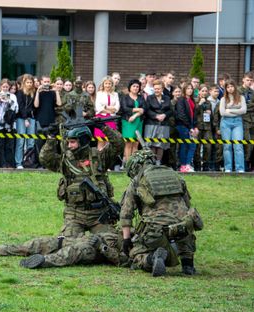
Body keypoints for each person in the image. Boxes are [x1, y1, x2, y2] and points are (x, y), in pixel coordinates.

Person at [121, 149, 203, 277]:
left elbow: (126, 213)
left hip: (155, 230)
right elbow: (187, 205)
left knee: (135, 252)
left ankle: (153, 258)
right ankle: (188, 264)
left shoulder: (137, 181)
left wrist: (126, 240)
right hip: (183, 227)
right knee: (185, 224)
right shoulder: (174, 175)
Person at [40, 124, 123, 237]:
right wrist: (51, 138)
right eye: (68, 142)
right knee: (69, 246)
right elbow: (46, 159)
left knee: (110, 244)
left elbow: (118, 145)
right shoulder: (66, 161)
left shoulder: (99, 157)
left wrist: (104, 127)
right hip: (74, 214)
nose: (69, 146)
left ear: (83, 141)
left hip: (98, 214)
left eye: (73, 142)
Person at [0, 230, 126, 269]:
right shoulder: (122, 227)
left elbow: (123, 261)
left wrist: (102, 247)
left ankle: (42, 261)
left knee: (67, 254)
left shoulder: (136, 244)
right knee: (37, 243)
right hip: (78, 238)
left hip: (93, 250)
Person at [219, 80, 247, 173]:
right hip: (225, 123)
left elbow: (244, 110)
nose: (230, 88)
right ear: (225, 89)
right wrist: (236, 111)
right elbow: (222, 113)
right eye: (228, 87)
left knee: (238, 145)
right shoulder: (223, 99)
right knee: (227, 146)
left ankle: (240, 168)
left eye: (231, 86)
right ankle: (228, 168)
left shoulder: (241, 98)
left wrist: (230, 111)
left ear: (235, 87)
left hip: (237, 123)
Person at [144, 79, 172, 166]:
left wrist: (164, 115)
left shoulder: (167, 98)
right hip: (151, 124)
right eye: (155, 88)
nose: (157, 90)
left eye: (159, 89)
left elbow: (171, 110)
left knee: (161, 144)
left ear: (162, 89)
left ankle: (158, 161)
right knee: (151, 144)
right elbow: (147, 110)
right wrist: (156, 116)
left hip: (164, 124)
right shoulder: (149, 98)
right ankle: (152, 161)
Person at [0, 79, 18, 168]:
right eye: (3, 87)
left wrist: (9, 102)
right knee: (0, 144)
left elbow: (16, 109)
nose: (5, 88)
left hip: (10, 123)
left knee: (10, 144)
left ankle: (10, 163)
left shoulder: (13, 96)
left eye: (7, 87)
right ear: (0, 87)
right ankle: (1, 164)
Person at [120, 79, 145, 165]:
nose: (135, 88)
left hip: (138, 122)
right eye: (134, 86)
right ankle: (128, 163)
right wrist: (138, 109)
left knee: (136, 143)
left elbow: (144, 109)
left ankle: (134, 163)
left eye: (137, 86)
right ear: (130, 87)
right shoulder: (125, 97)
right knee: (128, 143)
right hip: (128, 122)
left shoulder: (141, 98)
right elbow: (124, 108)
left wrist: (135, 115)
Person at [175, 84, 199, 172]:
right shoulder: (181, 100)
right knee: (184, 146)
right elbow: (181, 115)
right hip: (183, 126)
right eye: (188, 88)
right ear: (184, 90)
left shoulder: (192, 100)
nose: (190, 90)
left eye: (191, 88)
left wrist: (195, 126)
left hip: (191, 125)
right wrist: (190, 127)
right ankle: (183, 165)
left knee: (192, 145)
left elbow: (194, 115)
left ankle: (188, 164)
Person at [14, 74, 36, 169]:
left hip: (31, 118)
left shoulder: (33, 93)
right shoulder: (19, 93)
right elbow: (21, 107)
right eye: (27, 82)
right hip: (21, 118)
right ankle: (18, 162)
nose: (29, 84)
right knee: (21, 141)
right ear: (24, 83)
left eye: (31, 82)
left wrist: (30, 117)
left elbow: (34, 107)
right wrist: (25, 118)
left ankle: (29, 161)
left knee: (31, 141)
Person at [94, 76, 120, 151]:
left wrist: (106, 107)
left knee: (109, 141)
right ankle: (100, 159)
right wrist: (110, 109)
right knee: (101, 141)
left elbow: (117, 108)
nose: (108, 85)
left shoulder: (115, 94)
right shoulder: (99, 93)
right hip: (101, 119)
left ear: (112, 84)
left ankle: (107, 160)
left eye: (109, 83)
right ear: (103, 84)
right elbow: (98, 108)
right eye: (106, 83)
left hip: (111, 119)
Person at [193, 84, 214, 171]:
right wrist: (199, 104)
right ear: (199, 91)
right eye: (202, 91)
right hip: (198, 126)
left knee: (208, 146)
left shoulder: (208, 102)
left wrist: (210, 113)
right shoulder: (195, 100)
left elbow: (211, 117)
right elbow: (193, 113)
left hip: (207, 127)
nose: (204, 93)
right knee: (197, 146)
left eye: (206, 91)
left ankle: (206, 164)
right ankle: (197, 165)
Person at [238, 73, 254, 171]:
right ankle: (244, 164)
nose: (249, 82)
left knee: (252, 144)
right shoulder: (238, 91)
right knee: (246, 143)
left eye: (251, 80)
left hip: (252, 120)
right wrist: (250, 106)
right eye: (247, 80)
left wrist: (247, 106)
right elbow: (240, 106)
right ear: (243, 79)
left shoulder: (252, 92)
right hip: (243, 121)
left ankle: (249, 163)